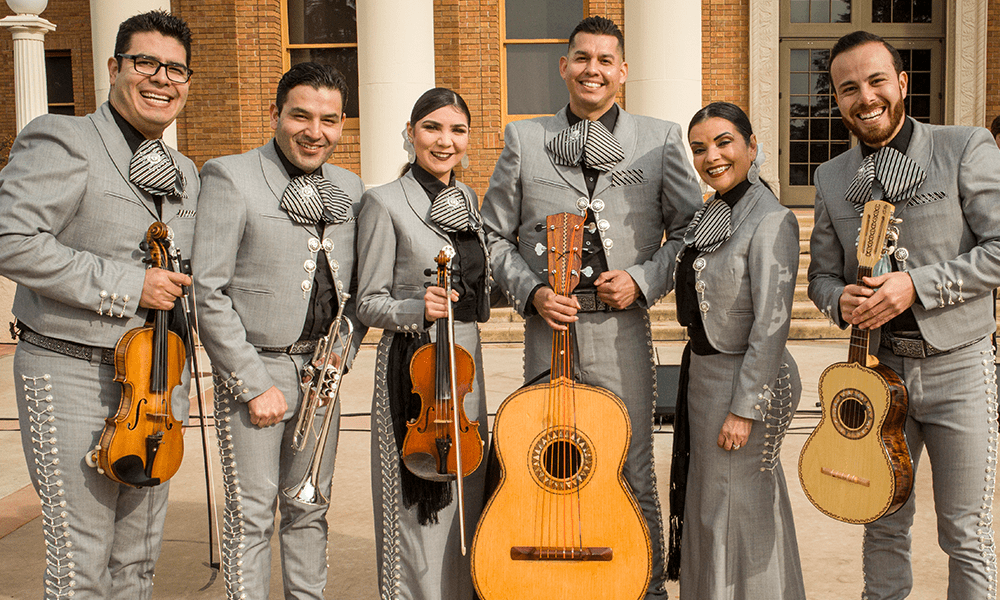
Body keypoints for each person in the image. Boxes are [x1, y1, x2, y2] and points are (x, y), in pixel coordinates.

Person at [478, 15, 702, 599]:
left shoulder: (659, 138)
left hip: (621, 331)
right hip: (546, 328)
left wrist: (645, 279)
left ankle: (644, 589)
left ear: (622, 71)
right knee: (543, 462)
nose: (593, 69)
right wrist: (529, 291)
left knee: (630, 469)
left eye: (605, 60)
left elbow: (688, 230)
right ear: (564, 66)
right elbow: (492, 235)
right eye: (582, 58)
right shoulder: (524, 140)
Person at [0, 10, 197, 599]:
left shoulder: (185, 170)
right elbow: (12, 238)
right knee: (80, 565)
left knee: (137, 563)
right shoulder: (62, 137)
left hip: (157, 385)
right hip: (71, 372)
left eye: (176, 69)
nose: (161, 79)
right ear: (114, 68)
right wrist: (127, 283)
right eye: (145, 63)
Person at [808, 30, 1000, 599]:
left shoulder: (963, 147)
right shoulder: (831, 177)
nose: (865, 97)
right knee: (881, 524)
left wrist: (916, 285)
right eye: (848, 89)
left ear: (902, 84)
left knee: (965, 533)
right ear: (837, 101)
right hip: (877, 373)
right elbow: (821, 275)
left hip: (959, 368)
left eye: (875, 81)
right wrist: (835, 299)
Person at [191, 62, 366, 599]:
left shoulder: (350, 187)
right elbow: (207, 291)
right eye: (301, 116)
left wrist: (340, 356)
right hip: (258, 367)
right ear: (275, 115)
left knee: (309, 505)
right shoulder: (230, 175)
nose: (316, 132)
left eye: (330, 120)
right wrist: (251, 381)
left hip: (322, 373)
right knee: (251, 512)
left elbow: (354, 292)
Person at [356, 87, 491, 600]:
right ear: (411, 134)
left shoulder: (469, 200)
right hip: (413, 365)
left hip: (466, 365)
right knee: (414, 502)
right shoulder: (383, 201)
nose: (444, 140)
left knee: (464, 490)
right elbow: (368, 301)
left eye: (457, 130)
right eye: (433, 127)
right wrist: (417, 308)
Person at [668, 102, 805, 599]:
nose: (713, 156)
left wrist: (744, 410)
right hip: (706, 375)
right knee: (720, 506)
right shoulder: (713, 212)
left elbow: (771, 324)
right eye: (700, 148)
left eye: (724, 142)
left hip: (745, 380)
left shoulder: (770, 218)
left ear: (751, 145)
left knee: (733, 509)